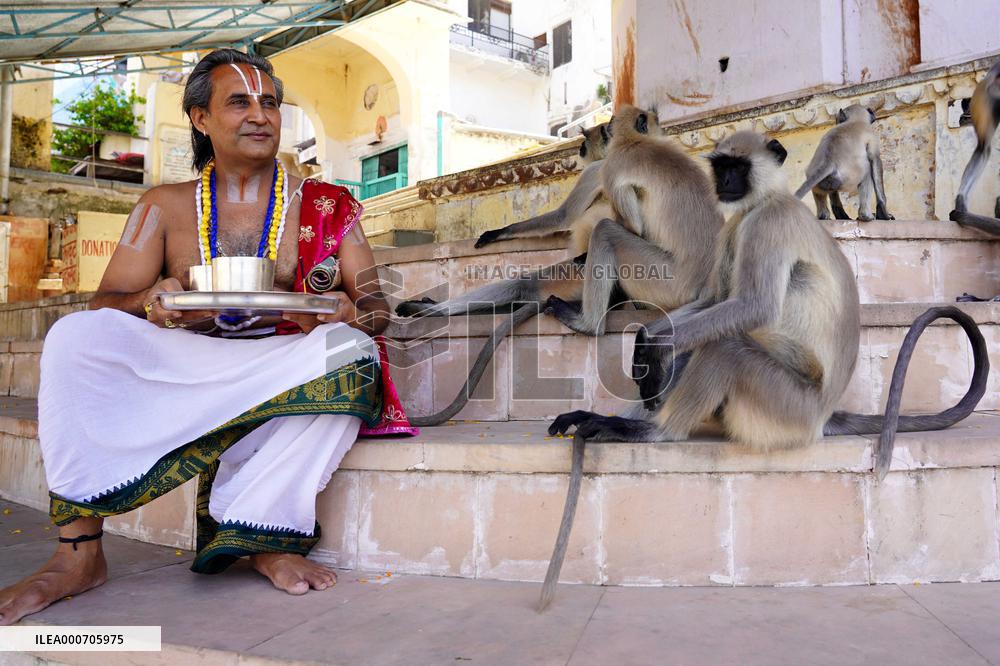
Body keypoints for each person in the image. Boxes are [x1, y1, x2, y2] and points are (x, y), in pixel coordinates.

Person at [0, 48, 415, 626]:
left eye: (270, 103)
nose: (261, 116)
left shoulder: (328, 205)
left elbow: (378, 310)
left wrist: (348, 310)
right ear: (201, 119)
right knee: (75, 338)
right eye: (240, 102)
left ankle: (262, 537)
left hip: (282, 361)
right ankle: (79, 555)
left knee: (354, 353)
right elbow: (105, 305)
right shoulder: (161, 207)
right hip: (185, 360)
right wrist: (153, 303)